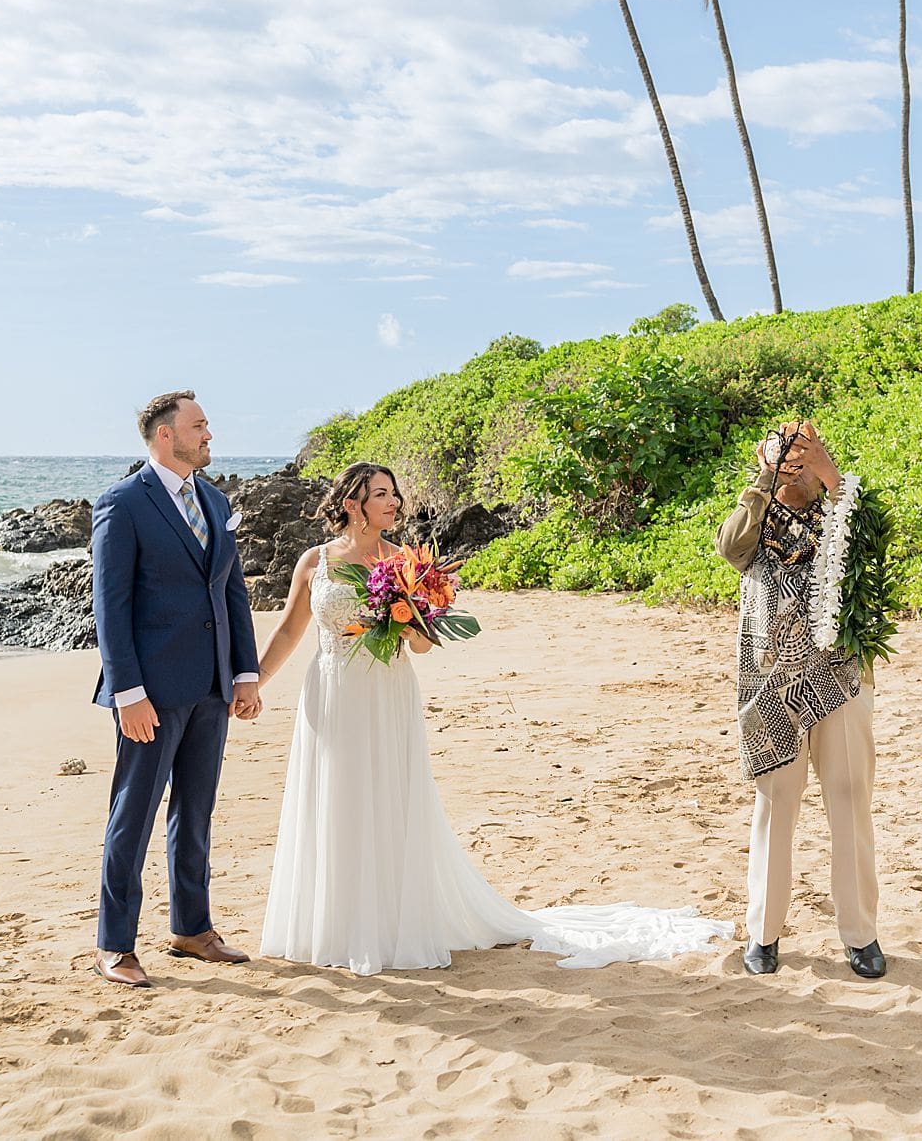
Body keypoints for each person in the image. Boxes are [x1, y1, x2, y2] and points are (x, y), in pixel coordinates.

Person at [256, 460, 732, 976]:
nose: (393, 502)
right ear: (352, 504)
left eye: (394, 493)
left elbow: (423, 646)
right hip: (331, 691)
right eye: (381, 494)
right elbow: (289, 631)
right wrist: (253, 684)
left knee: (387, 797)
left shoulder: (405, 563)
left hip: (384, 692)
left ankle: (387, 924)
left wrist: (406, 620)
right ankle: (335, 924)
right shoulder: (316, 561)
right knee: (334, 797)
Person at [91, 391, 261, 987]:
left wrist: (244, 673)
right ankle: (115, 944)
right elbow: (110, 606)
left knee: (196, 812)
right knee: (133, 816)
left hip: (212, 684)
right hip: (151, 692)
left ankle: (192, 928)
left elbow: (231, 590)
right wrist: (127, 691)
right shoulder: (122, 503)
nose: (209, 434)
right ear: (165, 435)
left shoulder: (215, 500)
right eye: (199, 425)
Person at [715, 420, 885, 980]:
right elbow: (730, 547)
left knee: (850, 801)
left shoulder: (842, 512)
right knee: (775, 807)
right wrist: (767, 478)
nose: (796, 468)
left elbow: (872, 548)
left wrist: (830, 476)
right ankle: (763, 934)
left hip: (841, 680)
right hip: (771, 687)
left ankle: (861, 935)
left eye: (803, 459)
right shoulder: (756, 514)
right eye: (786, 456)